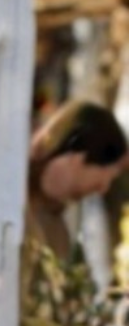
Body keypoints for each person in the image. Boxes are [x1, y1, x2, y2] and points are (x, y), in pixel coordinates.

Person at [25, 100, 128, 273]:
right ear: (80, 156)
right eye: (106, 175)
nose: (103, 188)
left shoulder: (57, 232)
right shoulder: (11, 189)